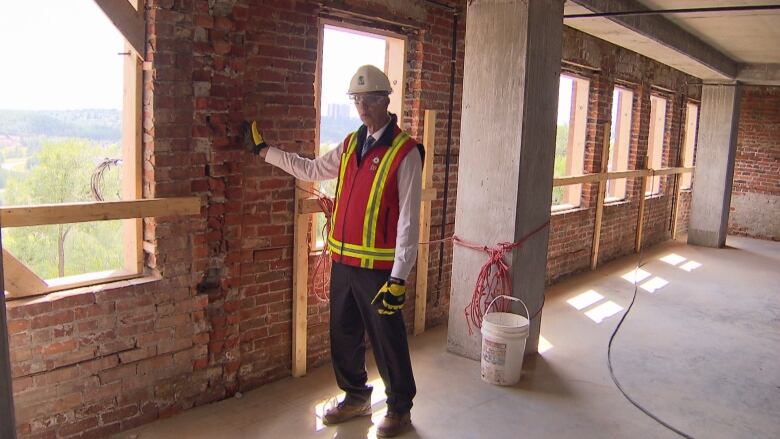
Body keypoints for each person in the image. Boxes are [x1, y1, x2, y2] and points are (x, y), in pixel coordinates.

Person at [243, 64, 423, 438]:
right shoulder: (351, 143)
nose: (362, 108)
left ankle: (399, 407)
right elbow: (310, 169)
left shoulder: (405, 152)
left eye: (369, 100)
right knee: (342, 334)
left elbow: (409, 219)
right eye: (356, 100)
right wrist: (265, 152)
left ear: (385, 100)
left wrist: (399, 277)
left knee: (387, 338)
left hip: (379, 271)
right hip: (343, 263)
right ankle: (355, 396)